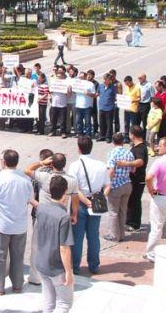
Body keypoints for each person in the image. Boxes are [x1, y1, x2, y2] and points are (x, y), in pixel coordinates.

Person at [0, 149, 34, 294]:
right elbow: (30, 199)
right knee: (18, 256)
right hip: (20, 225)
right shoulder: (25, 180)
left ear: (4, 162)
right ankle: (18, 285)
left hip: (1, 225)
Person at [68, 136, 110, 275]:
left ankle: (75, 266)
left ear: (79, 149)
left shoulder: (75, 165)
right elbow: (107, 186)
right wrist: (99, 198)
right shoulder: (101, 165)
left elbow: (74, 189)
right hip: (96, 205)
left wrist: (87, 202)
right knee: (93, 236)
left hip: (80, 203)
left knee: (77, 237)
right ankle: (94, 265)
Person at [34, 175, 75, 313]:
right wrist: (69, 272)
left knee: (48, 302)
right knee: (64, 303)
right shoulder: (63, 217)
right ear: (65, 192)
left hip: (41, 263)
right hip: (56, 267)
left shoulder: (41, 208)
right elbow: (64, 248)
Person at [105, 133, 134, 242]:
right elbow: (133, 169)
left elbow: (111, 171)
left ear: (113, 142)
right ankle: (122, 234)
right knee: (123, 211)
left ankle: (114, 235)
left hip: (116, 185)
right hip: (127, 183)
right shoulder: (129, 153)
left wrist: (108, 183)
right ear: (123, 141)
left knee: (113, 212)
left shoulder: (111, 153)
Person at [125, 126, 149, 232]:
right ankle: (132, 222)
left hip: (137, 180)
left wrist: (126, 163)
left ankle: (133, 224)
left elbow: (140, 161)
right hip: (137, 179)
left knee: (134, 202)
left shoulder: (139, 148)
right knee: (133, 201)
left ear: (132, 135)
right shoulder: (141, 147)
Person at [122, 75, 141, 141]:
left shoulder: (137, 87)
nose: (127, 85)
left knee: (133, 125)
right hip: (126, 108)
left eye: (128, 83)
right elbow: (124, 96)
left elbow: (139, 98)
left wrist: (132, 100)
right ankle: (126, 137)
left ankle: (134, 137)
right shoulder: (126, 87)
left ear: (131, 81)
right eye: (126, 84)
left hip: (133, 109)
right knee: (126, 124)